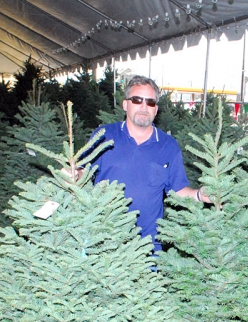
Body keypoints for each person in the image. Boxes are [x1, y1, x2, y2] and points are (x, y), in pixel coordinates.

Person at [88, 75, 210, 252]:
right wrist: (74, 174)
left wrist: (200, 195)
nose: (144, 107)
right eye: (137, 100)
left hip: (148, 248)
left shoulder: (168, 145)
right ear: (125, 104)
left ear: (156, 109)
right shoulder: (104, 135)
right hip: (104, 242)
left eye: (150, 102)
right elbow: (83, 172)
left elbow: (178, 190)